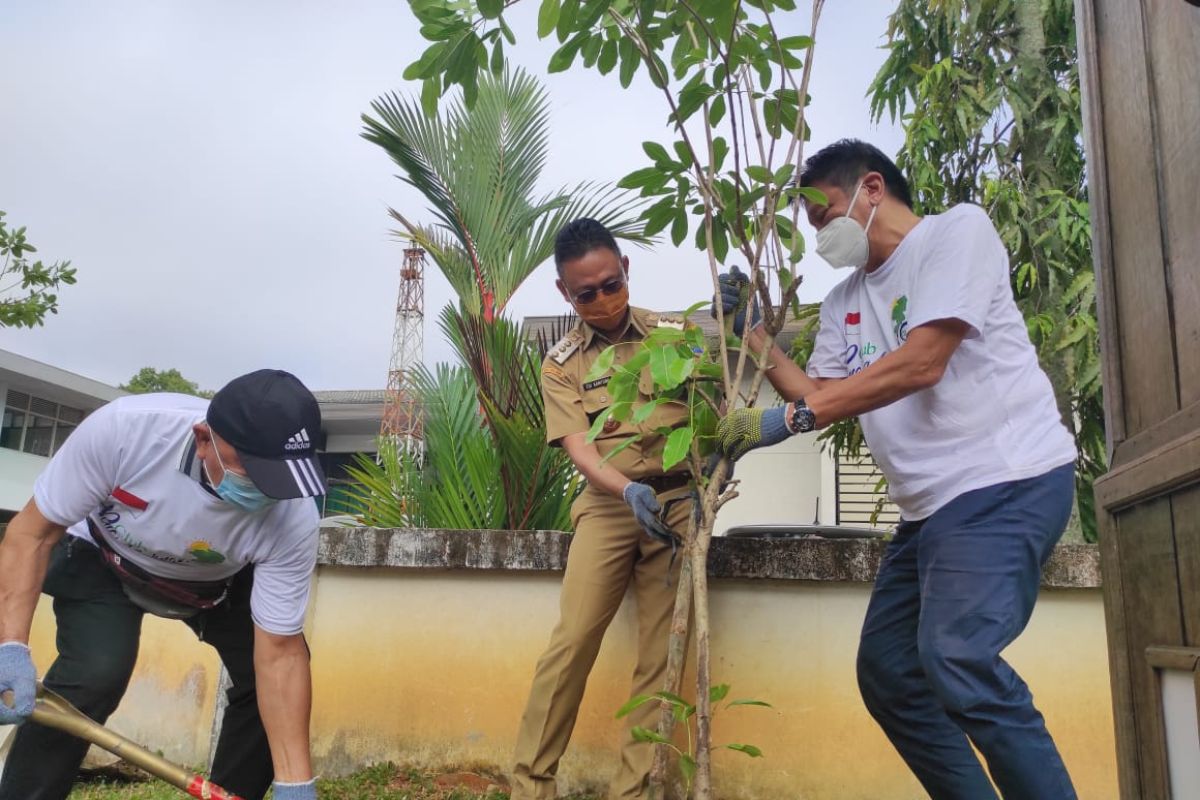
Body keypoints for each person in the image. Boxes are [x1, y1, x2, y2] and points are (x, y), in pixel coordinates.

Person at [714, 139, 1079, 799]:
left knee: (959, 656)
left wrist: (788, 423)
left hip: (1005, 479)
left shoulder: (954, 235)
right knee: (888, 671)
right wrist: (753, 335)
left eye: (825, 215)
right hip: (930, 513)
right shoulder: (841, 302)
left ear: (872, 189)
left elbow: (921, 363)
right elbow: (816, 393)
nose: (821, 235)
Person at [0, 369, 328, 800]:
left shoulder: (293, 515)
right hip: (105, 558)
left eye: (281, 475)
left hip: (219, 581)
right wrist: (10, 648)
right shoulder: (125, 431)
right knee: (95, 674)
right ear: (203, 439)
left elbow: (280, 656)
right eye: (254, 468)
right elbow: (31, 535)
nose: (269, 489)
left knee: (264, 679)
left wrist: (295, 782)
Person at [511, 218, 694, 800]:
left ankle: (633, 793)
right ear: (565, 294)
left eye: (611, 284)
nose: (604, 301)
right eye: (586, 294)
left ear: (626, 270)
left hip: (680, 503)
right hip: (611, 504)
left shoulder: (675, 335)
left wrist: (740, 328)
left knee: (662, 656)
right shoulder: (560, 363)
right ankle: (530, 787)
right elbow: (579, 447)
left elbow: (718, 411)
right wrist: (625, 490)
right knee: (571, 646)